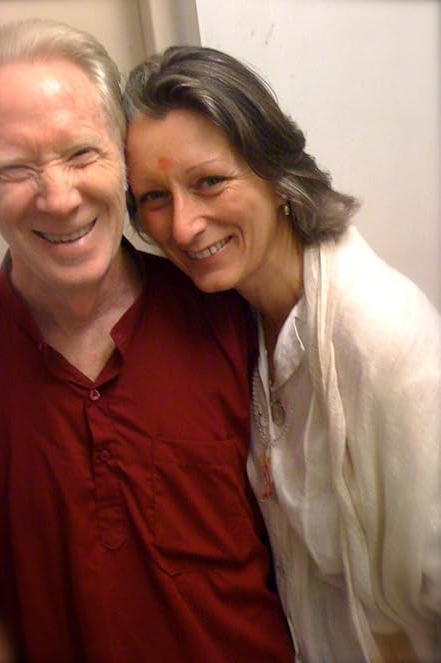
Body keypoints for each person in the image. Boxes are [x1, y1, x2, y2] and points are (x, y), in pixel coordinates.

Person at [123, 45, 441, 663]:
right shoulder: (231, 323)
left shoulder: (381, 339)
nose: (183, 227)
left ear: (276, 176)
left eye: (209, 181)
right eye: (155, 198)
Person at [0, 20, 296, 662]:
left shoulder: (228, 312)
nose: (59, 198)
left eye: (81, 154)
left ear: (123, 160)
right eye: (15, 168)